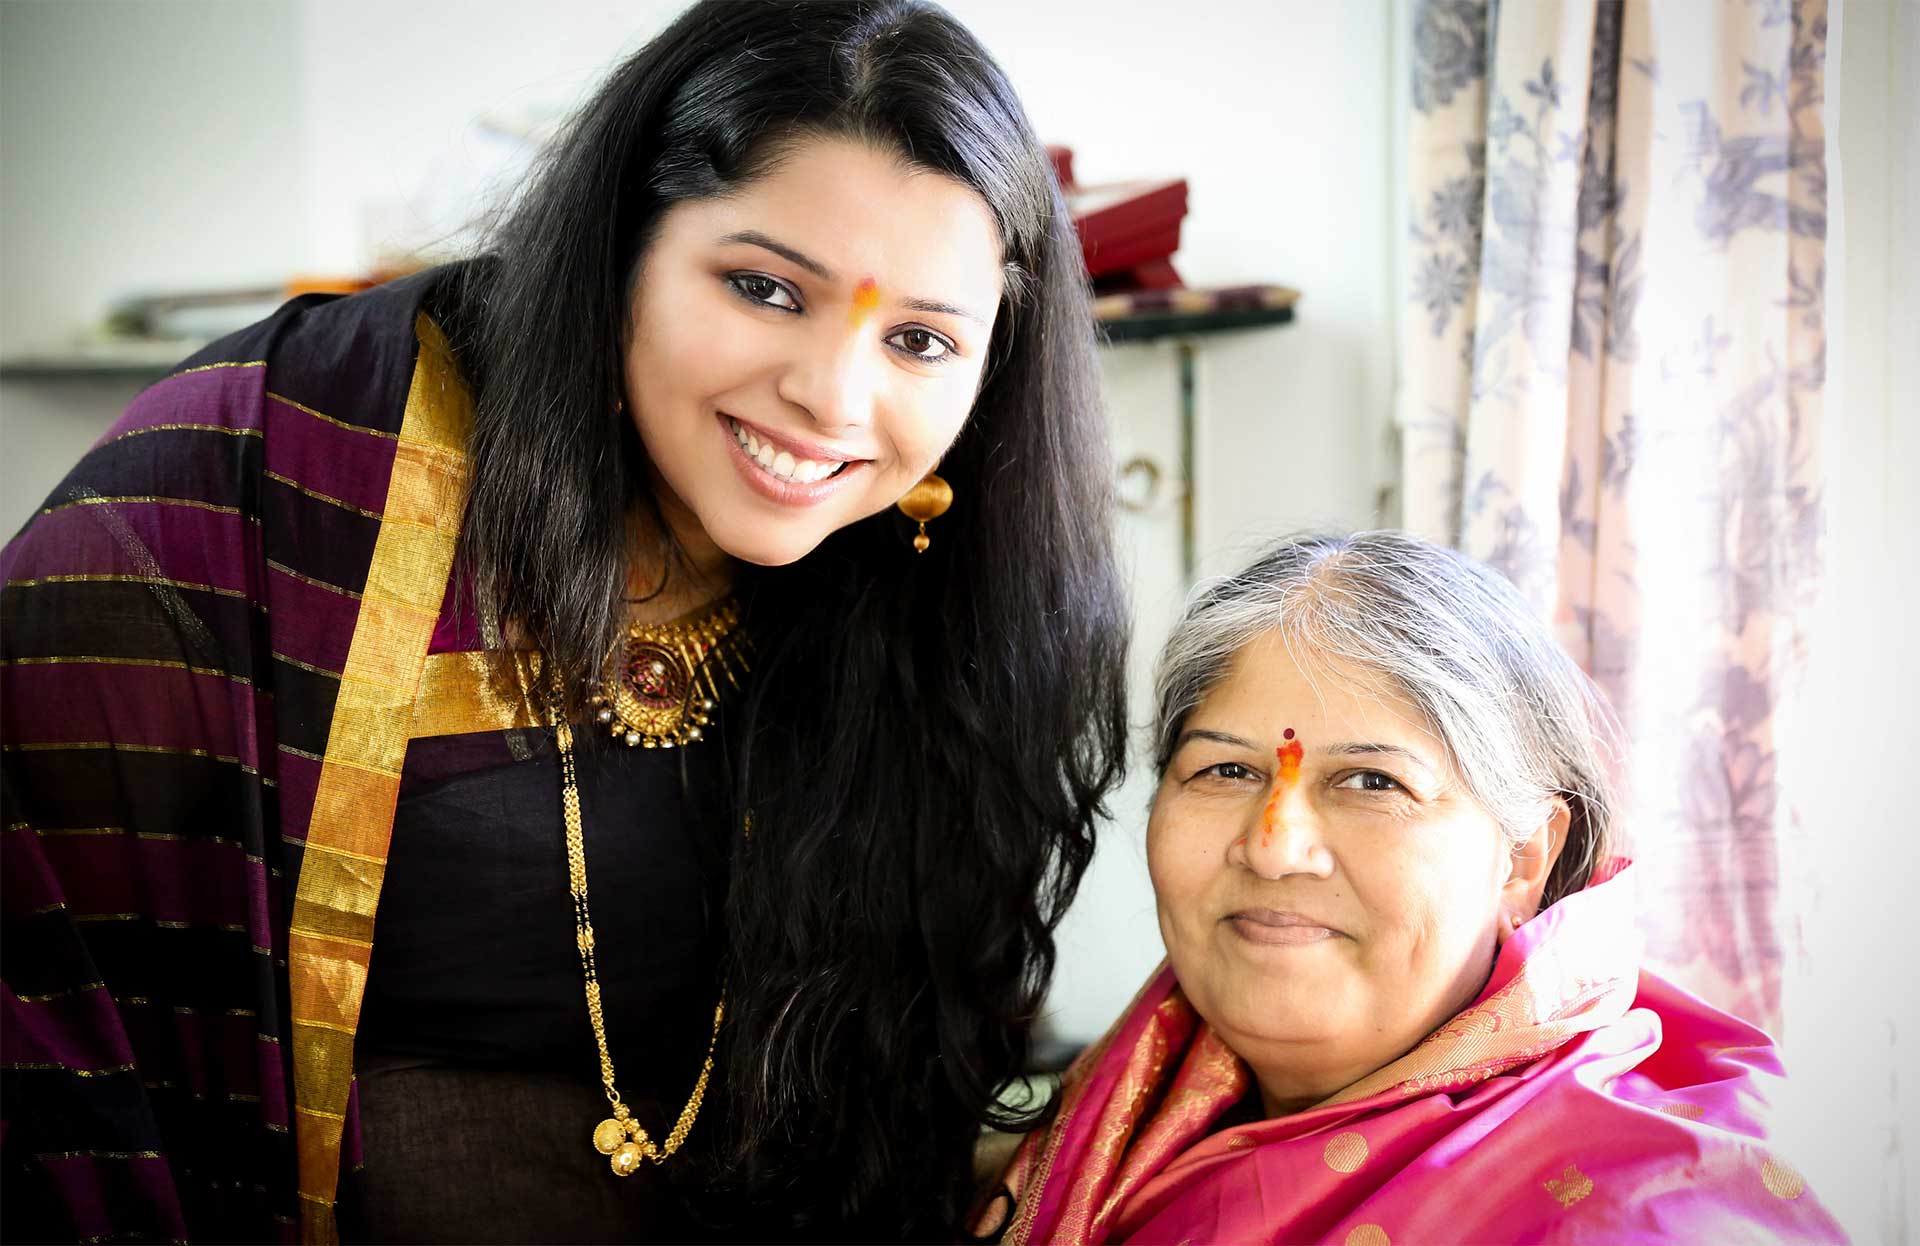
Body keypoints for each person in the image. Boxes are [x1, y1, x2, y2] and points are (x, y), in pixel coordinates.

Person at [0, 3, 1130, 1242]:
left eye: (921, 339)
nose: (831, 396)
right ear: (622, 249)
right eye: (763, 288)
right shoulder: (281, 470)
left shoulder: (931, 604)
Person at [975, 531, 1843, 1245]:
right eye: (1226, 769)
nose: (1273, 849)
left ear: (1525, 859)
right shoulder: (1124, 1115)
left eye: (1372, 783)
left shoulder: (1647, 1212)